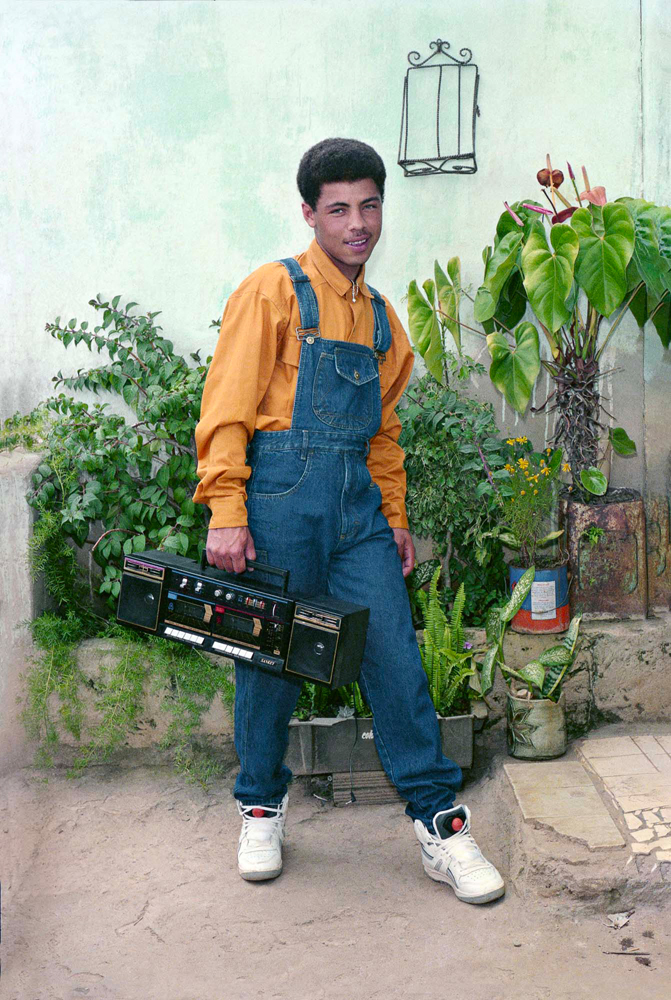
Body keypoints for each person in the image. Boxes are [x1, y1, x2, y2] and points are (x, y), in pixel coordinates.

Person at [194, 138, 504, 905]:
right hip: (277, 502)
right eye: (338, 208)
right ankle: (261, 806)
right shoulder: (270, 291)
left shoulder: (380, 321)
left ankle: (440, 825)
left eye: (369, 206)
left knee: (395, 659)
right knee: (268, 657)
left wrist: (392, 517)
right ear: (310, 213)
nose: (356, 223)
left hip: (358, 512)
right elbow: (226, 407)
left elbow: (385, 435)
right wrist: (227, 511)